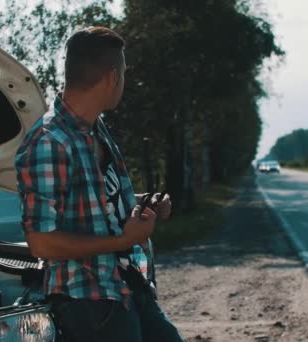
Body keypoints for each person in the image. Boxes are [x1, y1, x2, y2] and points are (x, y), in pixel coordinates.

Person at [15, 27, 184, 342]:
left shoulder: (95, 129)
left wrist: (143, 204)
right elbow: (42, 243)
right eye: (124, 73)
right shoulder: (49, 141)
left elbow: (99, 203)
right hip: (90, 303)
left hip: (128, 286)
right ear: (111, 78)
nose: (124, 81)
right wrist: (122, 240)